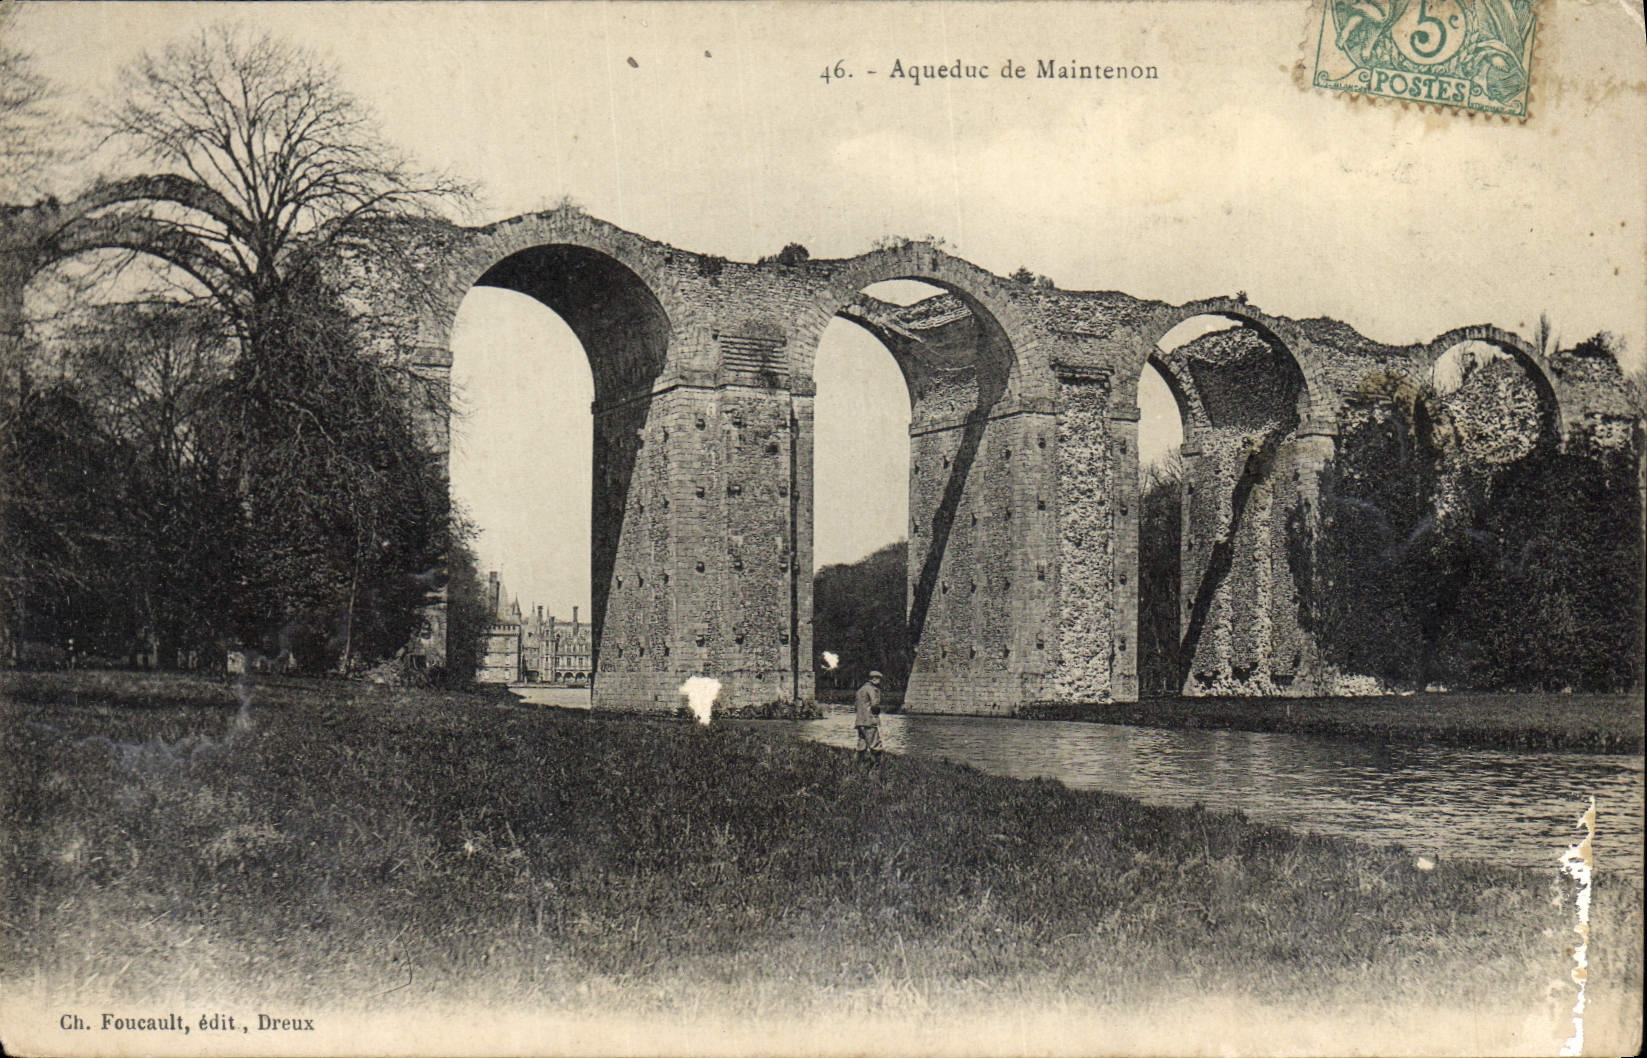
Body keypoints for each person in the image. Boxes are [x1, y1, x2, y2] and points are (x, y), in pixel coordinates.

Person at [854, 670, 884, 761]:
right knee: (875, 744)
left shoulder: (860, 689)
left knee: (861, 744)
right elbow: (875, 704)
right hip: (869, 720)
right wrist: (877, 713)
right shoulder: (873, 689)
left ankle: (858, 764)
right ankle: (877, 765)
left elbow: (856, 706)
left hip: (860, 721)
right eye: (878, 679)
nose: (879, 681)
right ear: (874, 679)